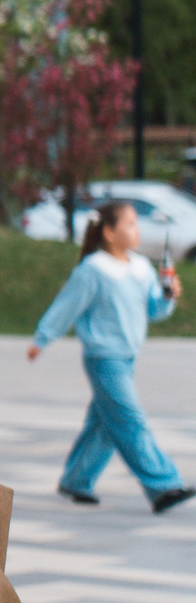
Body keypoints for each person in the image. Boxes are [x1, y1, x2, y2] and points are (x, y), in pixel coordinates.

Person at [30, 200, 193, 513]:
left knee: (105, 424)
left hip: (128, 358)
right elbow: (67, 306)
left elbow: (155, 311)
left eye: (136, 223)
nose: (136, 229)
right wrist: (42, 338)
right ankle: (164, 486)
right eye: (129, 224)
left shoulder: (142, 268)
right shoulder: (93, 270)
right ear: (108, 232)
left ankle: (76, 481)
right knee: (130, 420)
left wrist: (168, 296)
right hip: (103, 359)